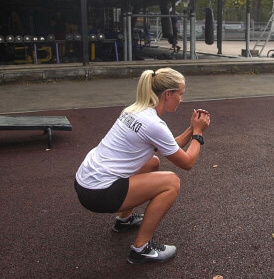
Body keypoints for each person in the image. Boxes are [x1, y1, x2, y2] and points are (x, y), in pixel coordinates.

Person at [74, 67, 211, 264]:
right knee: (171, 182)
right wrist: (199, 134)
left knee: (152, 163)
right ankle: (141, 249)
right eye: (180, 94)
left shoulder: (134, 110)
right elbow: (187, 162)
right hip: (98, 192)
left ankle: (124, 220)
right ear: (168, 94)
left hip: (85, 183)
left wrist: (191, 128)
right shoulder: (153, 124)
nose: (181, 99)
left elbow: (169, 147)